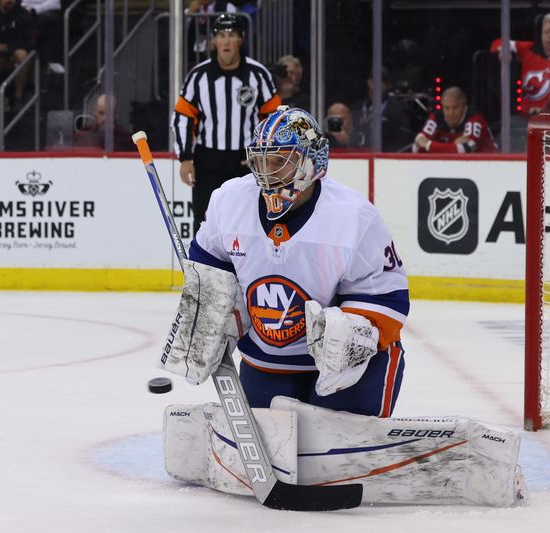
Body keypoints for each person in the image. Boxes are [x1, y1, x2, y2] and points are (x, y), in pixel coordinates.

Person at [161, 106, 409, 416]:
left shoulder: (354, 217)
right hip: (269, 360)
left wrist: (349, 335)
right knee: (265, 444)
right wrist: (210, 312)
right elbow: (210, 269)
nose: (267, 172)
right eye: (261, 160)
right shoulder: (229, 201)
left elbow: (387, 297)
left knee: (333, 451)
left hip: (349, 371)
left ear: (312, 160)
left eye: (280, 161)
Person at [172, 13, 280, 235]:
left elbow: (274, 118)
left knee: (250, 221)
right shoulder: (198, 76)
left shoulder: (258, 75)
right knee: (205, 221)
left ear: (240, 40)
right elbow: (183, 117)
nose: (226, 41)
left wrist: (263, 153)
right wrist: (184, 158)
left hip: (246, 160)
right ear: (213, 42)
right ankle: (203, 270)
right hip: (208, 159)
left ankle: (248, 270)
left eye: (231, 35)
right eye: (221, 35)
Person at [491, 12, 550, 115]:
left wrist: (544, 110)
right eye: (546, 32)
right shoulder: (529, 49)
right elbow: (498, 42)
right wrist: (503, 50)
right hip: (522, 117)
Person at [412, 86, 498, 154]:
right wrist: (453, 146)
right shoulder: (437, 116)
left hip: (486, 168)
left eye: (455, 108)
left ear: (464, 107)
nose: (451, 113)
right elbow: (417, 147)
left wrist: (428, 145)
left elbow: (466, 149)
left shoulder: (475, 119)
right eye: (447, 108)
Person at [349, 68, 413, 152]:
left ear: (388, 85)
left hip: (385, 159)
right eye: (372, 80)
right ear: (368, 82)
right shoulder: (356, 107)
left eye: (381, 81)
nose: (375, 84)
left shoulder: (397, 110)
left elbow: (402, 140)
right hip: (358, 157)